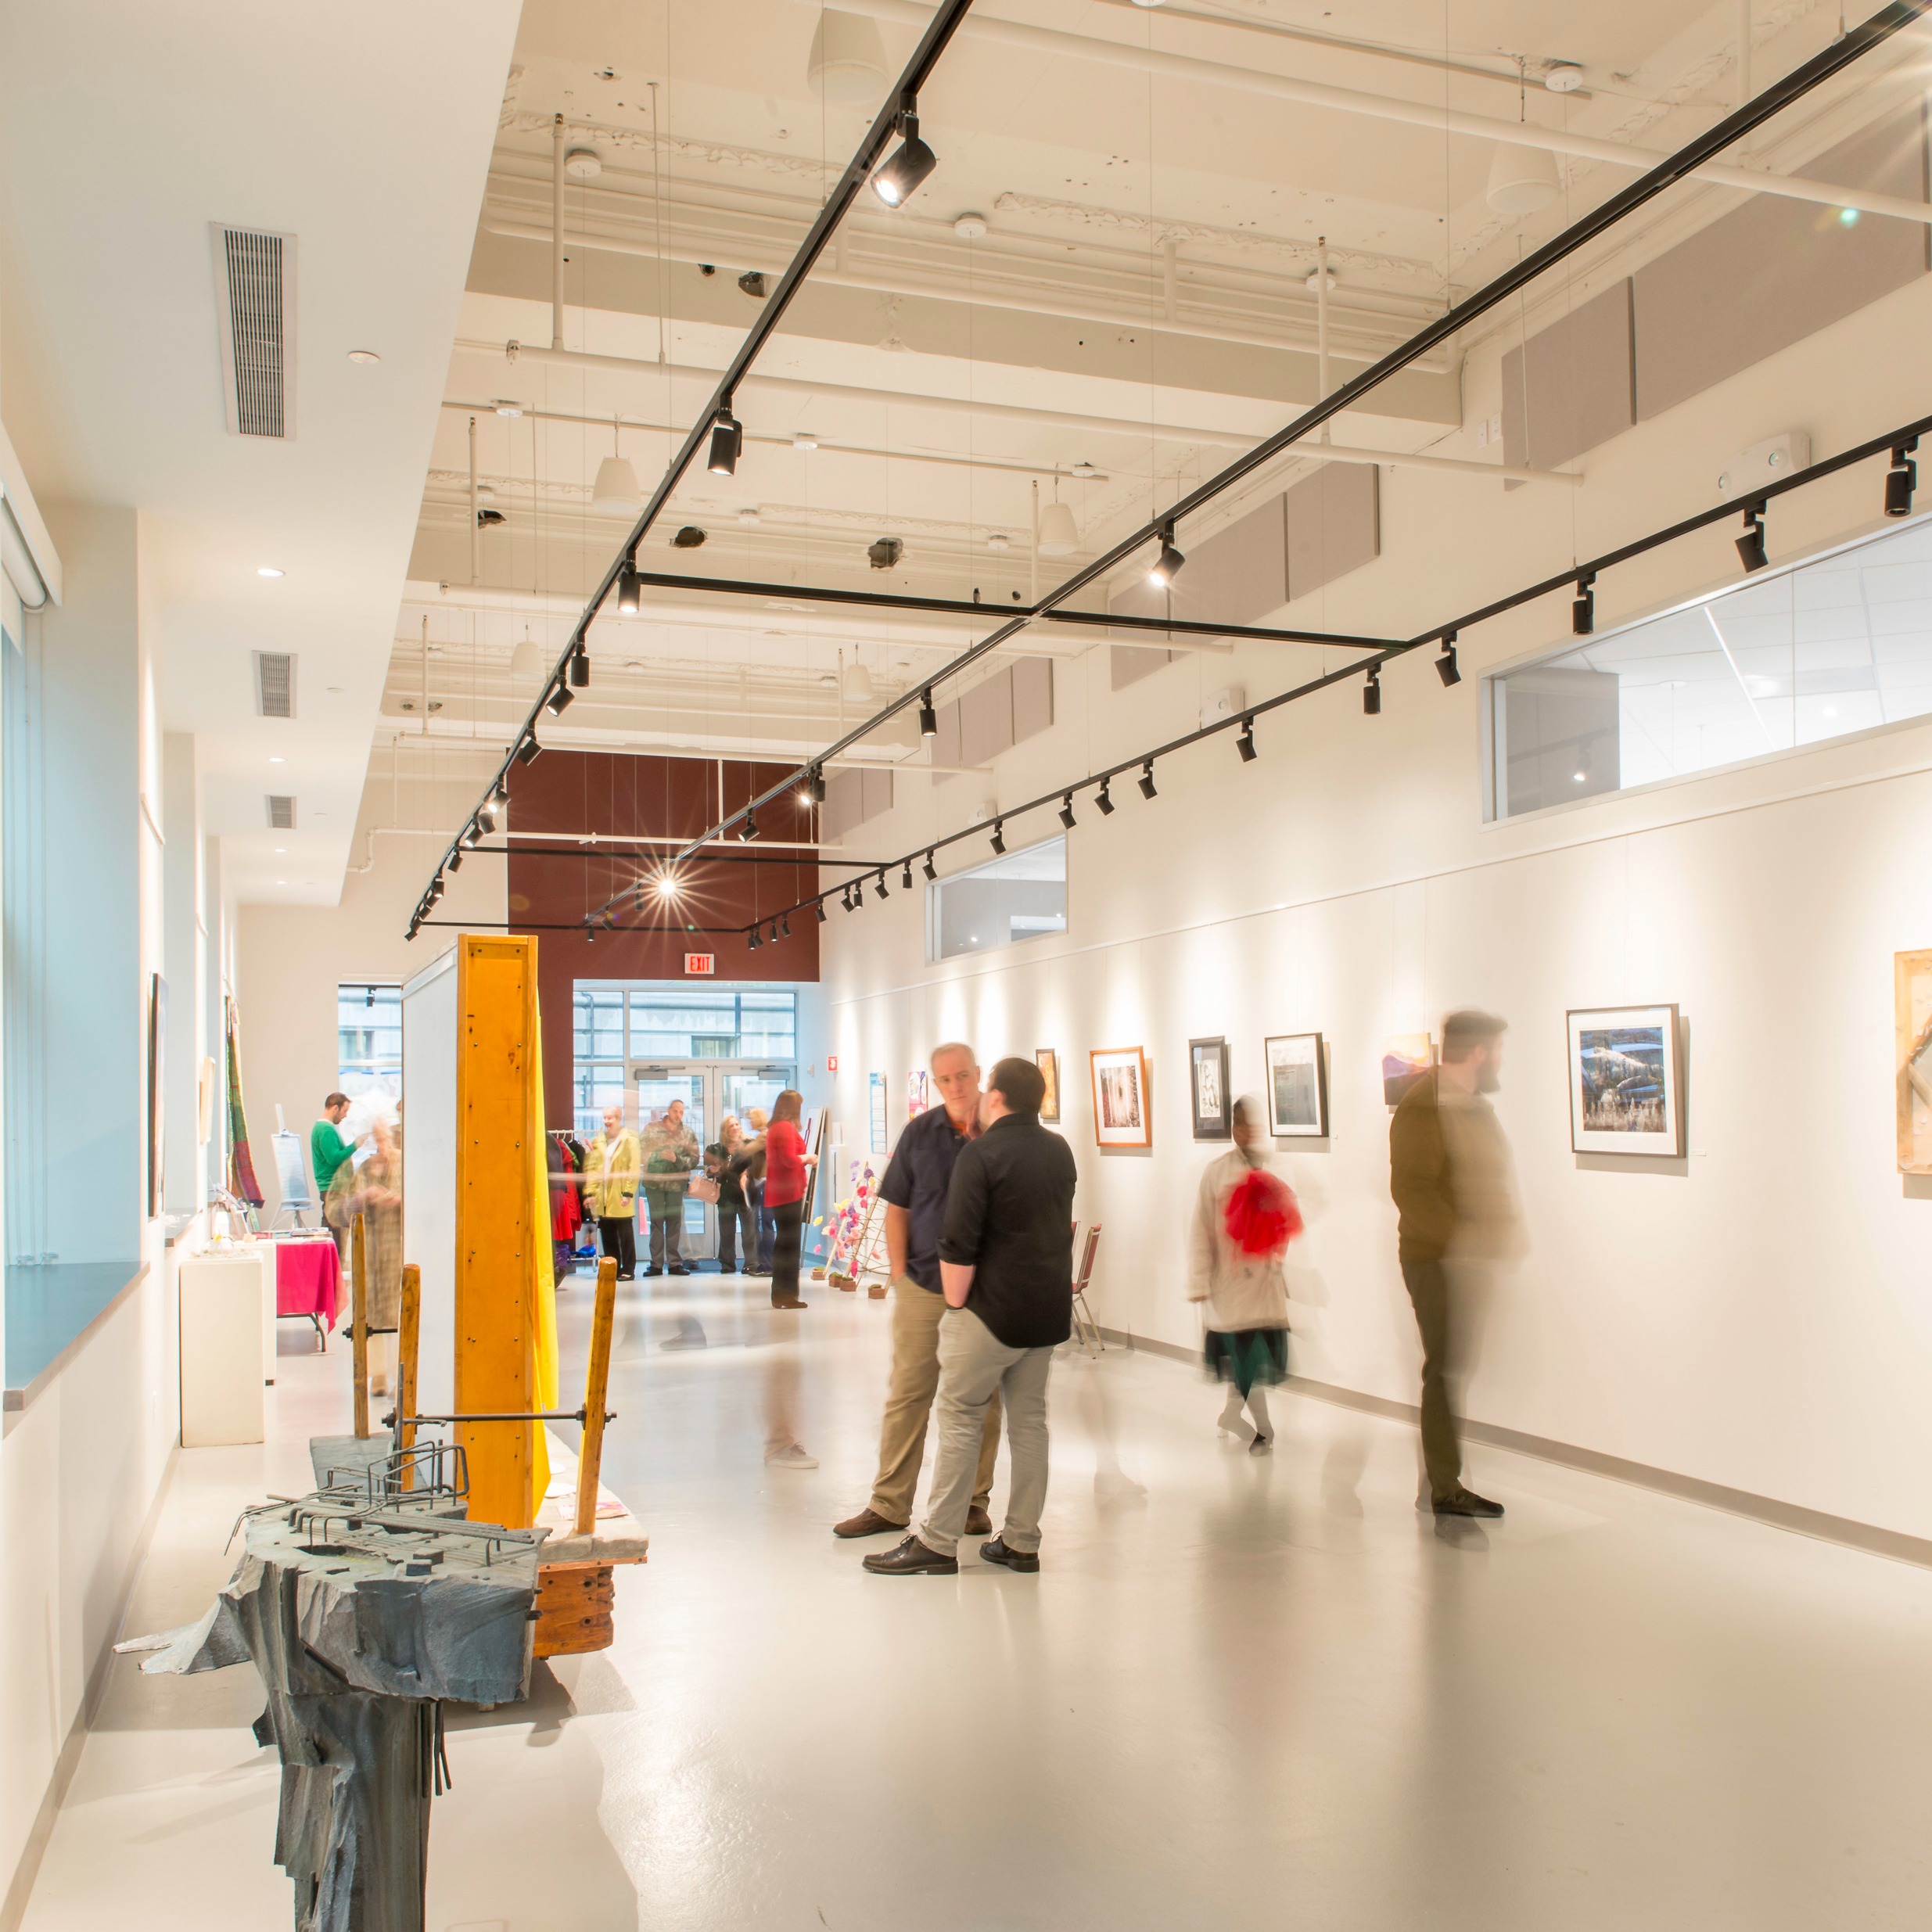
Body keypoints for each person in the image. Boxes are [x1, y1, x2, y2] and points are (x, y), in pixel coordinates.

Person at [865, 1057, 1076, 1576]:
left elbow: (958, 1244)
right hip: (1045, 1313)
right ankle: (1022, 1541)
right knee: (1030, 1423)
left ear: (997, 1097)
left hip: (988, 1311)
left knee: (959, 1415)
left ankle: (937, 1542)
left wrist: (955, 1305)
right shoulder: (1059, 1149)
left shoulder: (982, 1155)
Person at [835, 1042, 1004, 1542]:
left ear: (980, 1075)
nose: (955, 1086)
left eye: (963, 1076)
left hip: (985, 1289)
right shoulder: (920, 1133)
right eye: (945, 1079)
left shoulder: (999, 1134)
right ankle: (889, 1504)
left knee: (982, 1398)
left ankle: (973, 1503)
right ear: (935, 1082)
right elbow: (898, 1207)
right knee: (909, 1392)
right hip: (924, 1284)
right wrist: (901, 1276)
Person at [1389, 1010, 1522, 1520]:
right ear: (1479, 1052)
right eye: (1498, 1050)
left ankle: (1443, 1478)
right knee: (1443, 1369)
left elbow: (1484, 1175)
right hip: (1433, 1260)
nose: (1500, 1061)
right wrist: (1457, 1244)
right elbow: (1412, 1189)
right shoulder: (1424, 1105)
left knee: (1450, 1367)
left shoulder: (1469, 1106)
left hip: (1458, 1260)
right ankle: (1443, 1486)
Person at [1189, 1095, 1302, 1454]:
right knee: (1246, 1359)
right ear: (1232, 1128)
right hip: (1232, 1286)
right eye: (1238, 1124)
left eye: (1250, 1124)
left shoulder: (1270, 1169)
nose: (1245, 1131)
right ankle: (1260, 1429)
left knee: (1253, 1360)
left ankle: (1242, 1422)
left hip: (1263, 1286)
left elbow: (1282, 1225)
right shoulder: (1217, 1172)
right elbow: (1202, 1229)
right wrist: (1199, 1280)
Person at [352, 1117, 404, 1395]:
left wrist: (391, 1198)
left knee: (397, 1311)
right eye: (375, 1138)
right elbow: (349, 1202)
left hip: (397, 1247)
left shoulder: (403, 1163)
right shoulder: (365, 1168)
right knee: (373, 1312)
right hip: (372, 1250)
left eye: (384, 1138)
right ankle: (378, 1375)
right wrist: (363, 1196)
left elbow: (411, 1197)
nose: (380, 1144)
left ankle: (400, 1373)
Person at [763, 1090, 816, 1309]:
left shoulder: (776, 1127)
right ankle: (786, 1295)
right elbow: (788, 1160)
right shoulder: (784, 1127)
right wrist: (808, 1157)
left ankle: (783, 1295)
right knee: (788, 1245)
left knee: (785, 1244)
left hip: (781, 1193)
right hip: (787, 1193)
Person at [641, 1098, 700, 1277]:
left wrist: (677, 1159)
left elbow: (695, 1159)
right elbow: (640, 1152)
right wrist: (659, 1155)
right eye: (676, 1111)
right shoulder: (652, 1129)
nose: (679, 1115)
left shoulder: (687, 1133)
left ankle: (675, 1263)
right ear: (668, 1110)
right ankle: (656, 1264)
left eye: (682, 1112)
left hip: (676, 1185)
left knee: (674, 1224)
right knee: (657, 1223)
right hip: (655, 1184)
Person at [584, 1104, 641, 1281]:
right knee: (607, 1234)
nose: (607, 1121)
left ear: (618, 1118)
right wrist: (591, 1193)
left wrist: (628, 1192)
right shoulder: (598, 1141)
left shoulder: (630, 1140)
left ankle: (628, 1269)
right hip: (603, 1197)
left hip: (620, 1194)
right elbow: (593, 1169)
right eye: (605, 1118)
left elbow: (633, 1168)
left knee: (625, 1235)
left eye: (610, 1118)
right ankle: (612, 1267)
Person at [311, 1093, 360, 1262]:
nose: (345, 1116)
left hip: (335, 1188)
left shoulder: (326, 1129)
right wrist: (355, 1145)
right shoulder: (325, 1129)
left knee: (334, 1233)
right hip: (333, 1188)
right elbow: (333, 1158)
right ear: (335, 1108)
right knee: (335, 1236)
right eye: (344, 1111)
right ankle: (333, 1271)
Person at [706, 1115, 760, 1274]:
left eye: (737, 1124)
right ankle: (727, 1264)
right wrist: (712, 1170)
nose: (736, 1127)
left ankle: (751, 1264)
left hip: (746, 1195)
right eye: (731, 1126)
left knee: (749, 1232)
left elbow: (758, 1165)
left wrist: (748, 1173)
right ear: (725, 1130)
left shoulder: (749, 1145)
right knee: (726, 1233)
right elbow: (709, 1170)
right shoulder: (717, 1149)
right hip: (726, 1196)